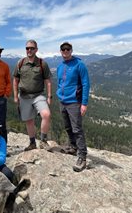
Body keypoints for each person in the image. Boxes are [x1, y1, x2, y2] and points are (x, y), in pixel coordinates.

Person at [56, 42, 90, 172]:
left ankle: (82, 156)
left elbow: (86, 84)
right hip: (63, 101)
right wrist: (59, 94)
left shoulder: (79, 64)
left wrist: (84, 103)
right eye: (63, 49)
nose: (65, 51)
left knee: (77, 129)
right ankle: (73, 146)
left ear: (71, 50)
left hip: (74, 102)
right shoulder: (60, 66)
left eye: (67, 49)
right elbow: (60, 82)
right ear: (60, 51)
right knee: (67, 126)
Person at [13, 39, 52, 151]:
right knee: (29, 121)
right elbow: (15, 80)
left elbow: (48, 80)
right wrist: (15, 96)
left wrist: (49, 96)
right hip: (24, 96)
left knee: (46, 115)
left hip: (38, 95)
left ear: (36, 50)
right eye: (27, 48)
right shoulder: (20, 63)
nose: (29, 50)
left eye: (32, 48)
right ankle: (32, 143)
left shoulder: (42, 63)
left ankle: (43, 141)